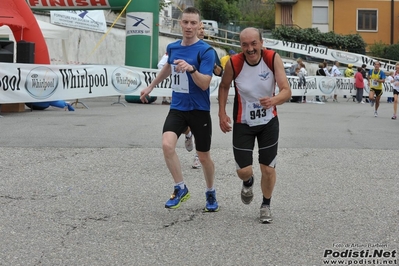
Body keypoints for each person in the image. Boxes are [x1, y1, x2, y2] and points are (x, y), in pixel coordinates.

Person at [140, 7, 219, 212]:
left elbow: (204, 84)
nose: (189, 27)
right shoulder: (173, 47)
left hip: (199, 109)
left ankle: (210, 191)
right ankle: (180, 187)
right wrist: (151, 86)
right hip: (178, 107)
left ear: (199, 25)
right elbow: (168, 68)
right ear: (180, 24)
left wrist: (192, 69)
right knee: (167, 145)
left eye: (193, 23)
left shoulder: (206, 51)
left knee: (203, 157)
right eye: (185, 22)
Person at [218, 27, 292, 223]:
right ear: (240, 46)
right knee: (244, 170)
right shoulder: (234, 63)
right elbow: (224, 86)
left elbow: (286, 90)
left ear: (261, 43)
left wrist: (274, 100)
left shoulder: (272, 58)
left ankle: (266, 204)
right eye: (245, 45)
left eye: (253, 44)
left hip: (268, 121)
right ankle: (248, 182)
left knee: (267, 168)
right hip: (243, 122)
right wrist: (222, 113)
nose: (250, 49)